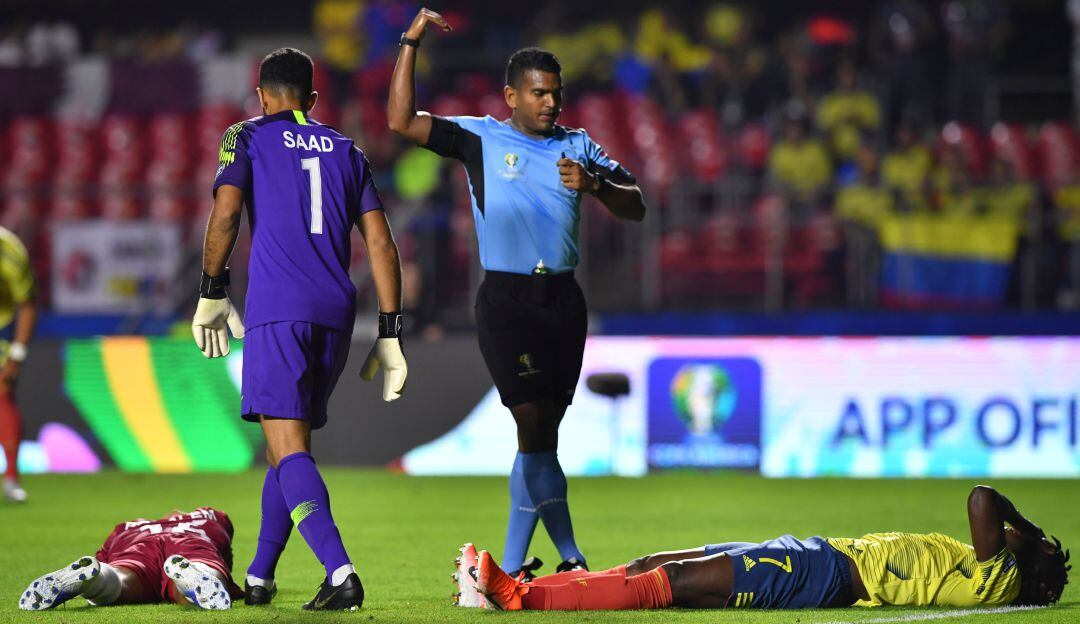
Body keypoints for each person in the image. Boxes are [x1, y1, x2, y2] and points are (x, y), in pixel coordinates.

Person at [388, 9, 647, 581]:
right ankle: (517, 562)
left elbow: (637, 204)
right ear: (511, 96)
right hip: (506, 302)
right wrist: (411, 41)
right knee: (532, 423)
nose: (550, 104)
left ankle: (550, 560)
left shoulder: (580, 147)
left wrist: (597, 186)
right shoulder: (481, 138)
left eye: (555, 94)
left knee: (543, 436)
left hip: (562, 302)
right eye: (538, 94)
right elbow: (402, 120)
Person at [192, 47, 406, 611]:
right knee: (285, 448)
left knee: (287, 449)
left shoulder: (247, 135)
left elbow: (226, 213)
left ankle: (340, 574)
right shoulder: (347, 149)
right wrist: (389, 330)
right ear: (312, 99)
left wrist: (212, 289)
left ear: (261, 94)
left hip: (279, 308)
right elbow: (381, 243)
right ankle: (259, 577)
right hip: (336, 312)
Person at [459, 485, 1069, 611]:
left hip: (823, 575)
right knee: (656, 564)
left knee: (671, 585)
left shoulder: (1003, 581)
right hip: (818, 554)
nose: (1023, 540)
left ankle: (520, 598)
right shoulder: (989, 571)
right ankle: (520, 589)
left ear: (1033, 578)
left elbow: (984, 499)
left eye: (1035, 551)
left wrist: (1033, 535)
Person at [19, 507, 241, 611]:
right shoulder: (208, 516)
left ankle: (93, 582)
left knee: (120, 576)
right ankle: (196, 576)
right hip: (189, 539)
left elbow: (103, 556)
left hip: (138, 541)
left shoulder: (127, 526)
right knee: (200, 566)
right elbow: (224, 550)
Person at [0, 226, 36, 503]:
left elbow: (26, 304)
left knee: (2, 395)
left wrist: (17, 353)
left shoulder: (10, 250)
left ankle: (11, 477)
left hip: (2, 332)